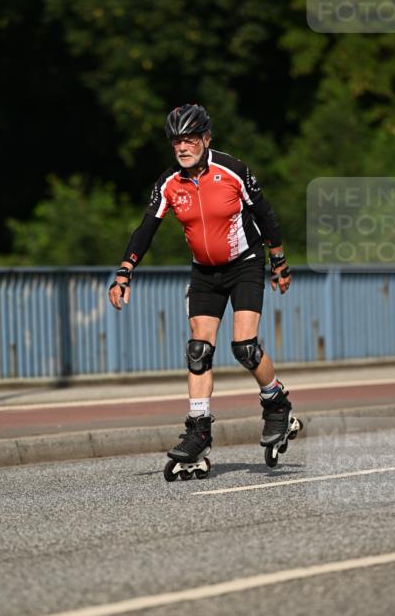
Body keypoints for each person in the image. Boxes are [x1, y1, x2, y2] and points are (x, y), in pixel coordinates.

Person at [107, 103, 294, 467]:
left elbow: (265, 213)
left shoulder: (234, 170)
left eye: (190, 139)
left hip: (245, 264)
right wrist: (124, 271)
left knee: (244, 348)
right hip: (205, 272)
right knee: (198, 351)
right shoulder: (168, 183)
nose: (182, 146)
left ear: (206, 138)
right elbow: (147, 228)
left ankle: (276, 403)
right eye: (176, 140)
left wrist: (280, 261)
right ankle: (199, 431)